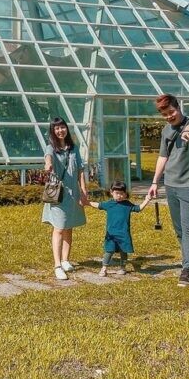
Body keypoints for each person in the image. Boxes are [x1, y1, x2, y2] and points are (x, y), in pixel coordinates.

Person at [148, 93, 189, 287]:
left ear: (177, 107)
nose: (169, 117)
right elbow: (163, 157)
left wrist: (188, 133)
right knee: (179, 229)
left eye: (171, 112)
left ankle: (186, 269)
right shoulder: (166, 130)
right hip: (170, 184)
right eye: (164, 115)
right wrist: (155, 182)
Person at [42, 117, 89, 280]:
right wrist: (48, 165)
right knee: (60, 228)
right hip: (58, 193)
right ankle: (57, 265)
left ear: (66, 129)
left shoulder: (74, 148)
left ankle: (66, 259)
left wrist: (83, 190)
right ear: (53, 131)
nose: (60, 130)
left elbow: (81, 170)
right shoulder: (51, 148)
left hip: (74, 193)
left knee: (69, 226)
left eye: (62, 127)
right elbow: (48, 157)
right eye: (56, 128)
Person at [87, 180, 152, 276]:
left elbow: (138, 208)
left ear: (125, 194)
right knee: (109, 251)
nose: (119, 195)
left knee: (123, 251)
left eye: (122, 193)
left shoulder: (127, 204)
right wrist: (86, 202)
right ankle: (104, 268)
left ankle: (123, 267)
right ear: (111, 192)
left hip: (124, 234)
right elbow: (98, 205)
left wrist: (147, 200)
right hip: (111, 234)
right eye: (117, 193)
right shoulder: (109, 204)